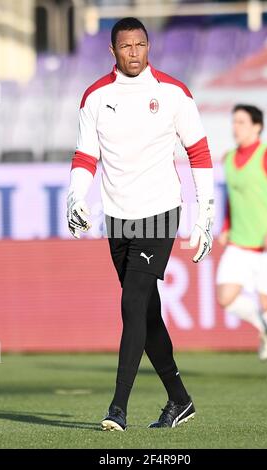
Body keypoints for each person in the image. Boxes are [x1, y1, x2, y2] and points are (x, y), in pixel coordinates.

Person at [67, 17, 214, 430]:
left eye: (141, 45)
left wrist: (204, 216)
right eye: (126, 46)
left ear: (149, 47)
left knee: (132, 303)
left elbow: (199, 153)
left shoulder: (173, 93)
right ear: (112, 51)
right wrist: (76, 195)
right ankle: (180, 400)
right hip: (118, 218)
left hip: (160, 212)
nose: (134, 52)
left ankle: (118, 407)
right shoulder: (95, 96)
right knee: (146, 315)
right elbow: (85, 156)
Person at [217, 104, 267, 381]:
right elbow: (232, 199)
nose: (235, 127)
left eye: (241, 122)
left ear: (257, 126)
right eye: (233, 121)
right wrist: (226, 227)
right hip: (240, 242)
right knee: (225, 297)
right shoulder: (228, 159)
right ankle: (265, 329)